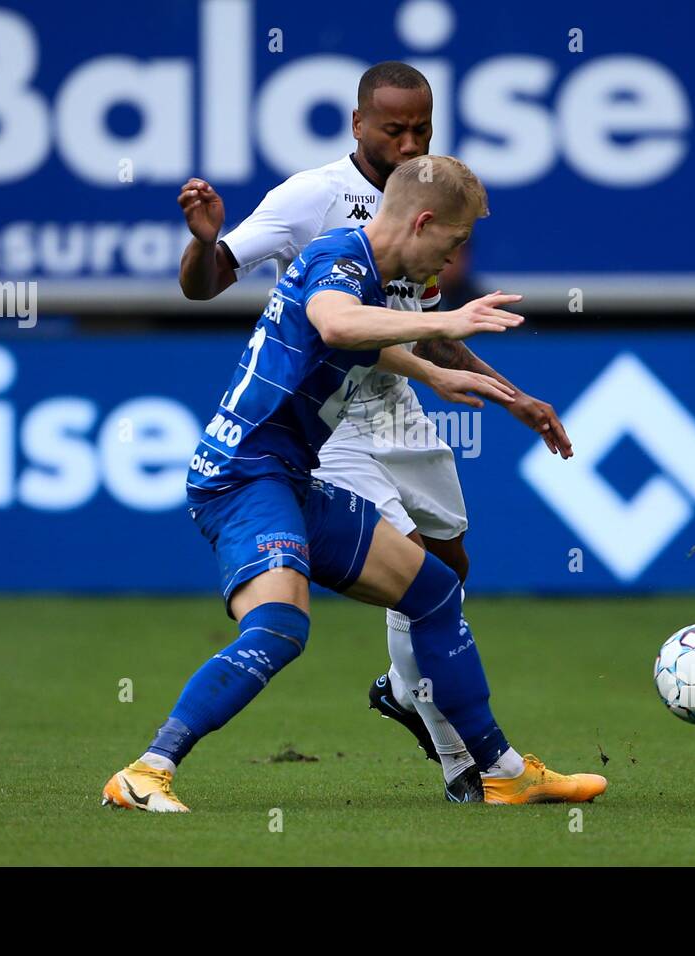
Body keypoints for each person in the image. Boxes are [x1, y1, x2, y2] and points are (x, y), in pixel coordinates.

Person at [103, 156, 606, 810]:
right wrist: (446, 322)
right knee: (281, 627)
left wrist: (444, 374)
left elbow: (355, 338)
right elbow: (338, 324)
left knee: (432, 590)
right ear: (423, 223)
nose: (452, 264)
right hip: (242, 476)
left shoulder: (372, 271)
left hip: (286, 475)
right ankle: (147, 770)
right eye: (452, 244)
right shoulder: (338, 255)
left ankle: (502, 772)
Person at [176, 61, 572, 799]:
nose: (410, 141)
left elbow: (421, 327)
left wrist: (511, 395)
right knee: (411, 568)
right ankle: (471, 766)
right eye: (394, 129)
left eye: (423, 127)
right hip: (331, 417)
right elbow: (207, 282)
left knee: (450, 567)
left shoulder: (426, 196)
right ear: (358, 125)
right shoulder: (314, 198)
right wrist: (205, 241)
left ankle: (403, 688)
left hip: (399, 397)